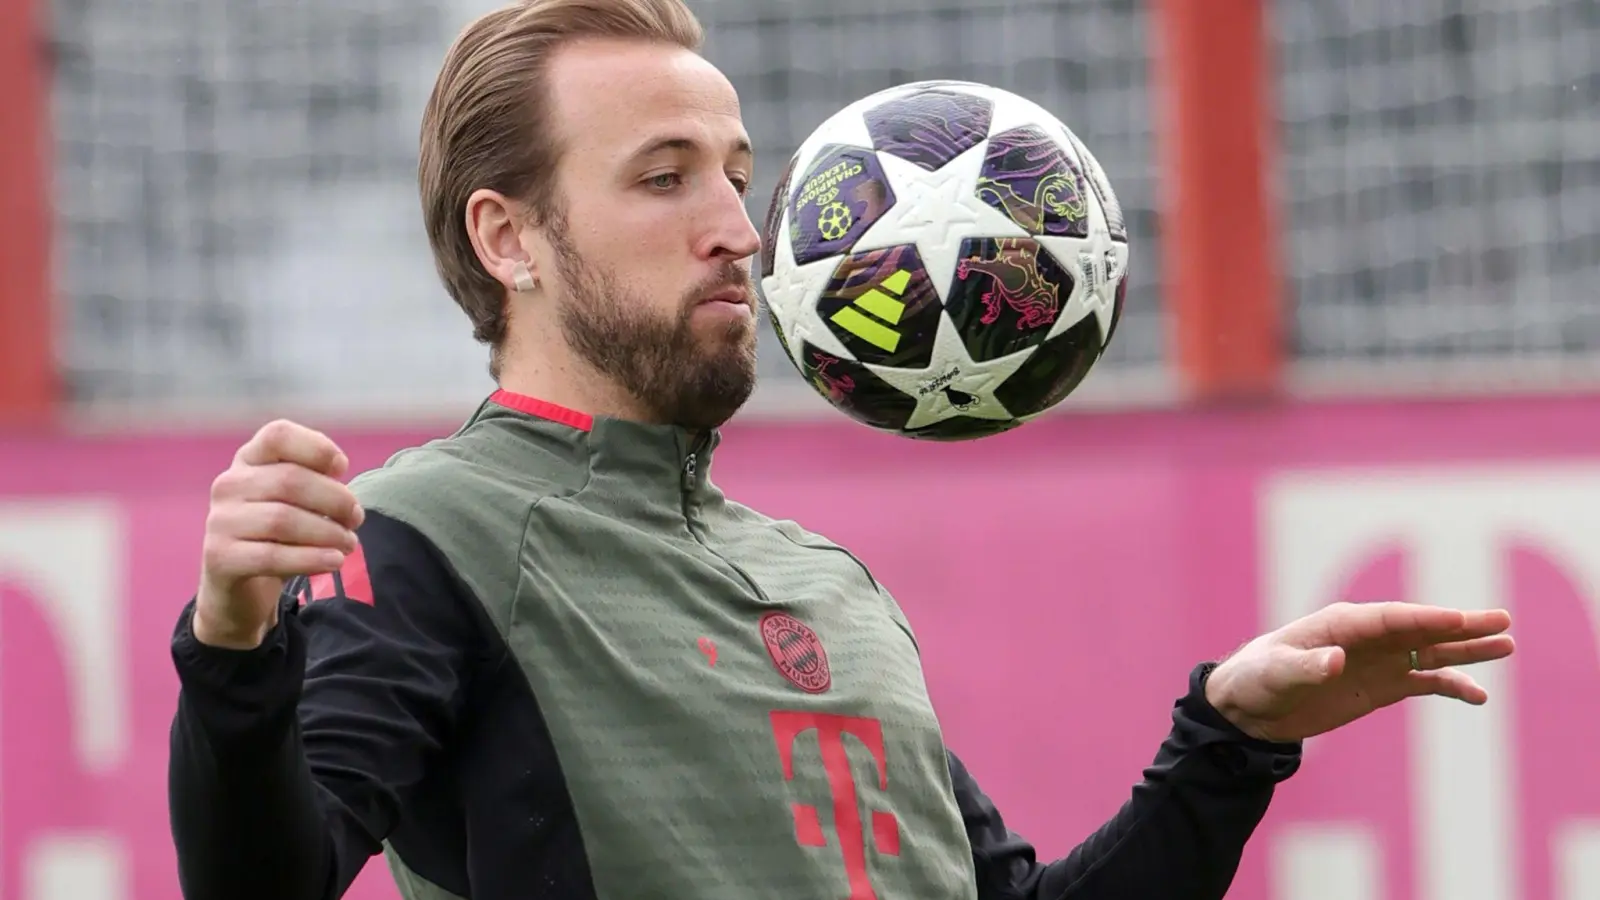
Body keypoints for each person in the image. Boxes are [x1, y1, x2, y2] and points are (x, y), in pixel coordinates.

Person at [165, 1, 1517, 898]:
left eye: (735, 173)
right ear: (507, 238)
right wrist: (233, 648)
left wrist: (1228, 739)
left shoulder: (825, 582)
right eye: (663, 177)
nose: (739, 230)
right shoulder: (424, 532)